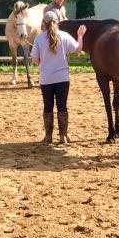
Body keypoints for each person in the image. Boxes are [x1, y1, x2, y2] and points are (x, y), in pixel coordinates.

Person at [30, 11, 86, 144]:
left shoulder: (39, 38)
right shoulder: (64, 36)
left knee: (47, 106)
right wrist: (80, 36)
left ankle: (48, 136)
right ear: (57, 22)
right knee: (62, 106)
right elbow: (78, 49)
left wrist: (41, 59)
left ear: (44, 23)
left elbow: (34, 60)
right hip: (62, 77)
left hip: (46, 78)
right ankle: (63, 136)